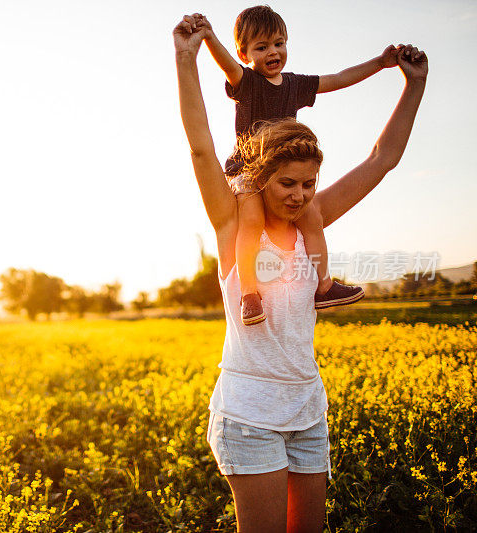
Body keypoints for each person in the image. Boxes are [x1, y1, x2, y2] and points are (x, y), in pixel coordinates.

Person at [173, 12, 427, 533]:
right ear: (263, 179)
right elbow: (201, 146)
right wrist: (186, 57)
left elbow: (383, 158)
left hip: (308, 411)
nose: (300, 196)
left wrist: (413, 85)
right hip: (250, 417)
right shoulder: (232, 224)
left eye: (309, 185)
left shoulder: (311, 217)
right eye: (288, 184)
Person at [199, 6, 402, 325]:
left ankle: (324, 286)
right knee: (251, 221)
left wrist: (380, 63)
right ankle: (249, 294)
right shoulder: (246, 81)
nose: (273, 52)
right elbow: (227, 64)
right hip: (248, 172)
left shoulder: (295, 85)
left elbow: (338, 79)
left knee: (312, 220)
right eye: (261, 47)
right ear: (244, 52)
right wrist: (209, 36)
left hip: (283, 172)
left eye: (279, 43)